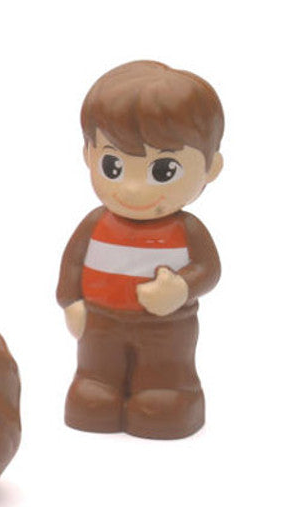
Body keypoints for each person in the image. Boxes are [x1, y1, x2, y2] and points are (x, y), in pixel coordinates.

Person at [57, 60, 224, 439]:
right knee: (96, 375)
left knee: (164, 373)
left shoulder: (187, 230)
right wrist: (70, 302)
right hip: (100, 322)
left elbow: (208, 269)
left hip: (166, 326)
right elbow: (72, 266)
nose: (133, 190)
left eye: (163, 171)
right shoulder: (94, 223)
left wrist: (181, 288)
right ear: (89, 156)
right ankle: (96, 385)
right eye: (113, 165)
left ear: (211, 168)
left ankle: (170, 391)